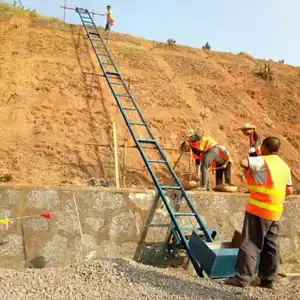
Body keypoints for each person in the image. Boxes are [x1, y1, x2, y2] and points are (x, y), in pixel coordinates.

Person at [225, 136, 293, 289]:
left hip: (258, 210)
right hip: (275, 212)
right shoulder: (284, 166)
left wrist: (252, 162)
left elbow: (243, 162)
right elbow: (289, 190)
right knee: (271, 246)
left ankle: (242, 278)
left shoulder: (263, 160)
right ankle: (268, 280)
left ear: (266, 148)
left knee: (251, 243)